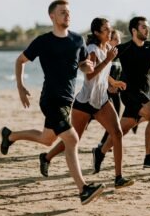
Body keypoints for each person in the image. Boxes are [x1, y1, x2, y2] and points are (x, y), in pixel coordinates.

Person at [0, 0, 105, 205]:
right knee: (72, 139)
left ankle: (10, 135)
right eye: (63, 12)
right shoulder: (43, 41)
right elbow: (20, 60)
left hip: (67, 100)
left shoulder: (77, 40)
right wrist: (20, 87)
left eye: (68, 12)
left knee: (47, 139)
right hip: (50, 99)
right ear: (52, 16)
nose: (67, 15)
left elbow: (83, 65)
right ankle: (83, 189)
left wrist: (88, 67)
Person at [39, 18, 134, 189]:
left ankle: (118, 177)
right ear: (97, 32)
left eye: (109, 28)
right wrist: (108, 60)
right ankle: (46, 158)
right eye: (105, 29)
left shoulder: (107, 49)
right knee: (74, 139)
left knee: (117, 133)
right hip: (84, 103)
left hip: (101, 101)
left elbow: (102, 74)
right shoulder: (92, 50)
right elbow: (90, 75)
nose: (109, 31)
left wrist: (114, 83)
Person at [92, 16, 150, 173]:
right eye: (144, 27)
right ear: (134, 30)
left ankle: (100, 152)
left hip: (142, 92)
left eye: (147, 27)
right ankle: (148, 157)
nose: (147, 29)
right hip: (129, 92)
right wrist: (112, 82)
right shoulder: (124, 48)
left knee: (121, 130)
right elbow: (102, 65)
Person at [98, 29, 122, 147]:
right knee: (86, 120)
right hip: (104, 92)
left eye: (119, 39)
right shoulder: (106, 55)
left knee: (115, 119)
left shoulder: (119, 56)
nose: (119, 41)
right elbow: (101, 72)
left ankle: (104, 143)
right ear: (109, 41)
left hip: (115, 93)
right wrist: (109, 85)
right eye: (116, 39)